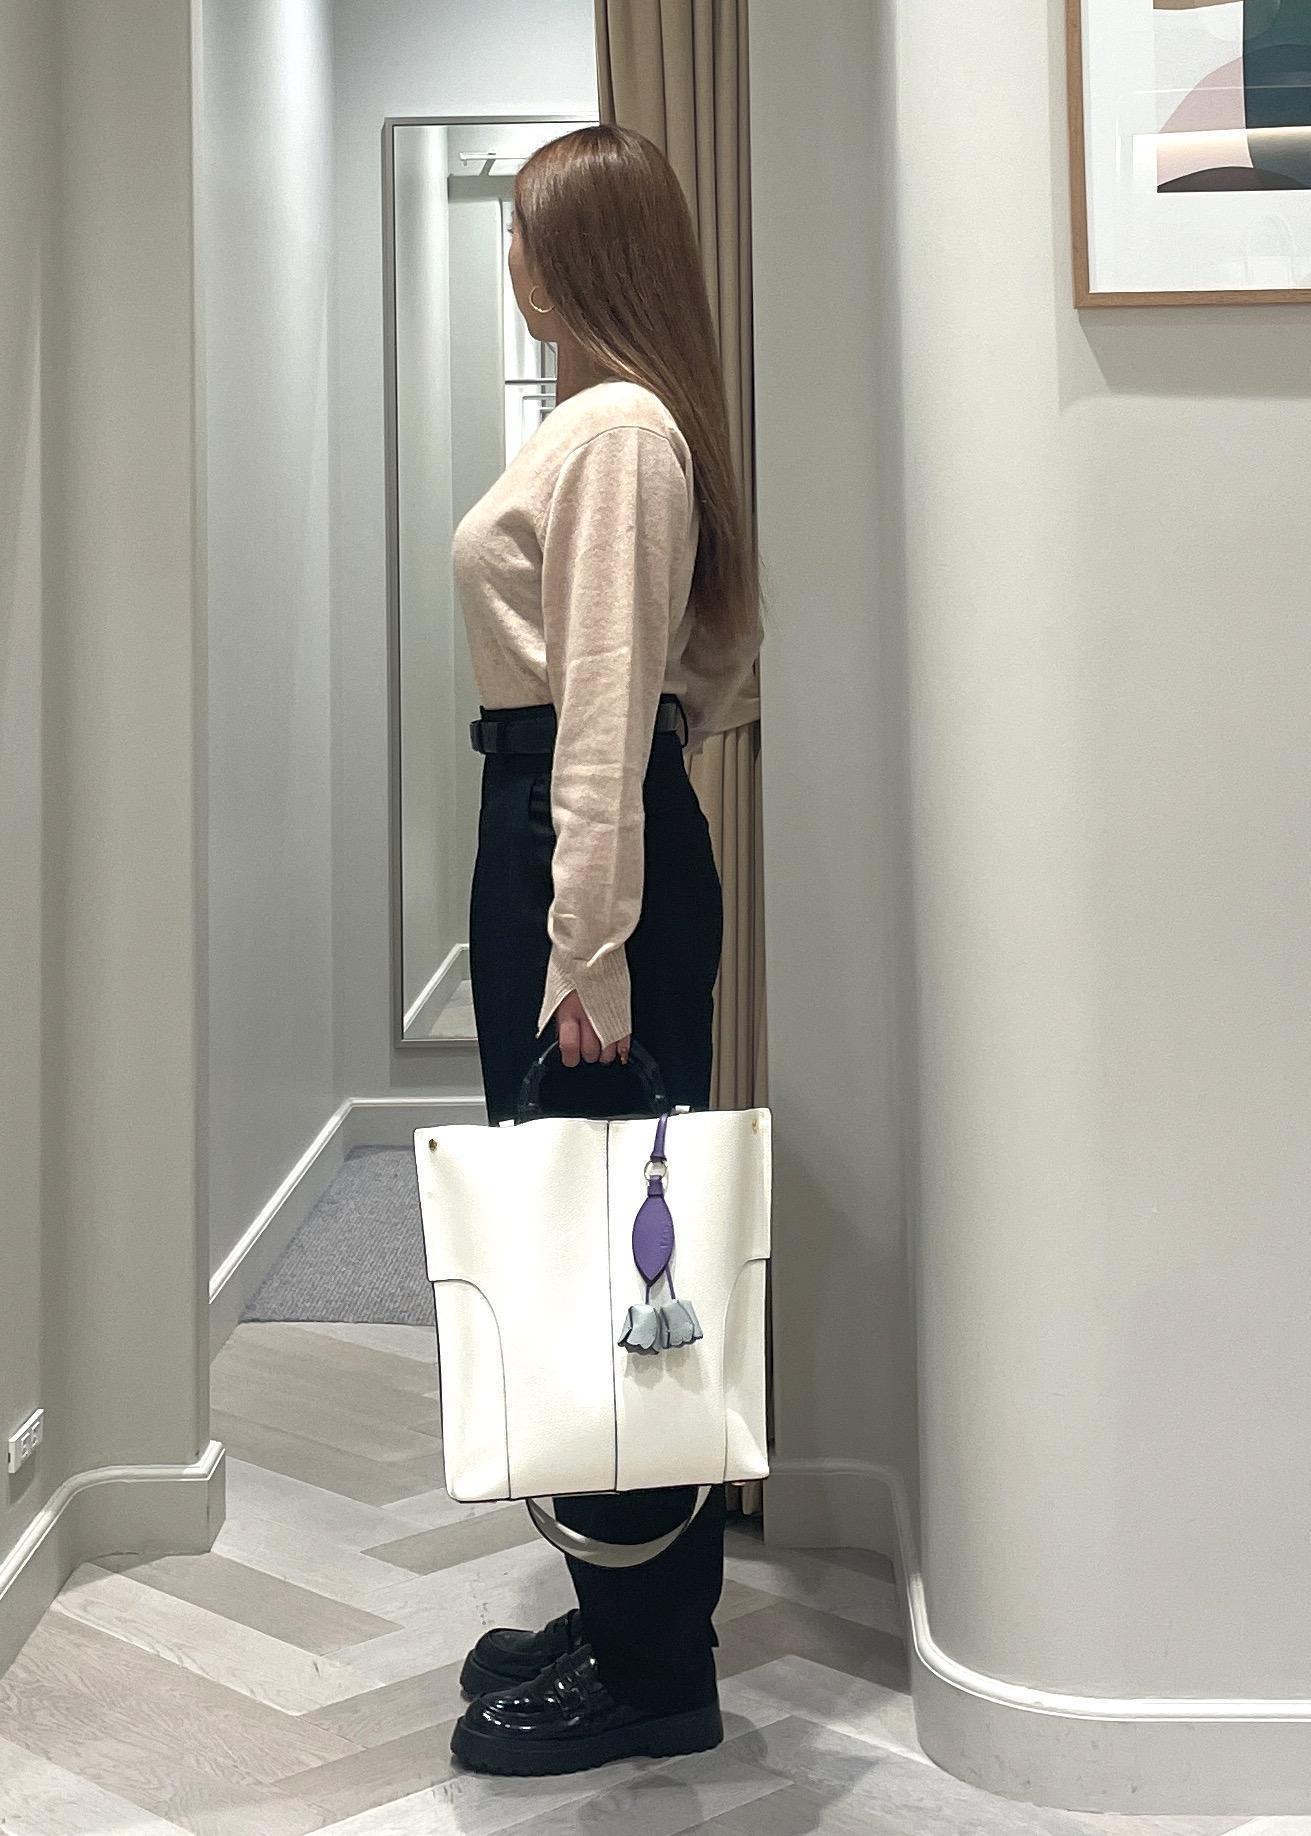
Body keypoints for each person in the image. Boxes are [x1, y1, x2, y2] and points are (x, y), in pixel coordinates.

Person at [445, 122, 764, 1779]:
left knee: (617, 1261)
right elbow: (690, 682)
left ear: (576, 256)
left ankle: (654, 1675)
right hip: (568, 840)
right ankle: (624, 1611)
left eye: (525, 229)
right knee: (582, 1235)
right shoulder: (614, 424)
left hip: (576, 852)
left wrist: (591, 941)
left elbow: (608, 716)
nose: (512, 257)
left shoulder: (621, 430)